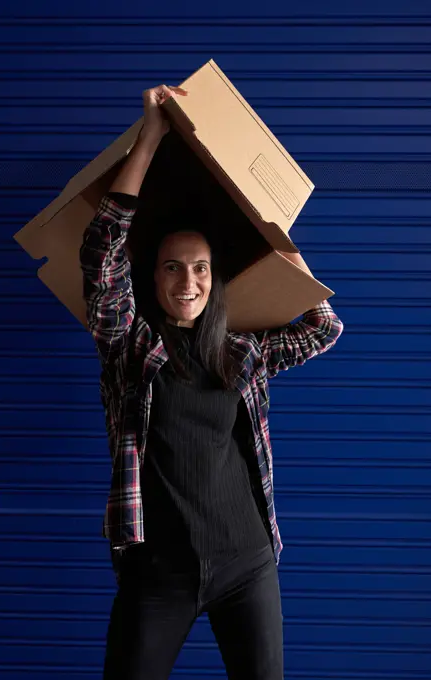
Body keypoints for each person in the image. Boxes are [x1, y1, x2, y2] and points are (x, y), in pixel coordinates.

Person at [80, 84, 344, 680]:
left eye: (201, 268)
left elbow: (324, 326)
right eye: (173, 266)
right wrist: (149, 137)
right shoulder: (130, 347)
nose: (188, 280)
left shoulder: (240, 354)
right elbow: (101, 256)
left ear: (214, 280)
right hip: (159, 573)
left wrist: (276, 240)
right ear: (153, 277)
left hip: (246, 564)